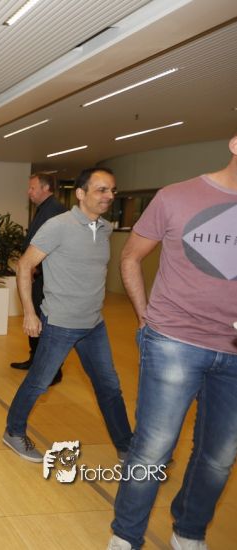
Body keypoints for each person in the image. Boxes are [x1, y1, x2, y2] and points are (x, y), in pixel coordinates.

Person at [108, 132, 237, 550]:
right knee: (153, 449)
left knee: (219, 457)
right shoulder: (176, 196)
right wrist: (146, 317)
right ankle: (126, 535)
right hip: (174, 341)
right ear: (235, 144)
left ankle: (189, 531)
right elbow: (131, 257)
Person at [3, 167, 132, 463]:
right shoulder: (58, 226)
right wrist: (29, 313)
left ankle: (127, 446)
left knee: (109, 387)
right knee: (39, 382)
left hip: (94, 324)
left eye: (112, 190)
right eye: (101, 190)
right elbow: (25, 265)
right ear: (81, 193)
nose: (109, 196)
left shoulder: (105, 228)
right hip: (60, 323)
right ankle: (13, 431)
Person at [10, 173, 68, 385]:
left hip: (47, 278)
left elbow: (53, 246)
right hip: (37, 274)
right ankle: (35, 361)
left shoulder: (54, 210)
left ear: (46, 188)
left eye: (32, 188)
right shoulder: (44, 208)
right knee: (33, 317)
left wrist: (34, 267)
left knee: (46, 323)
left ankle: (52, 371)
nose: (29, 192)